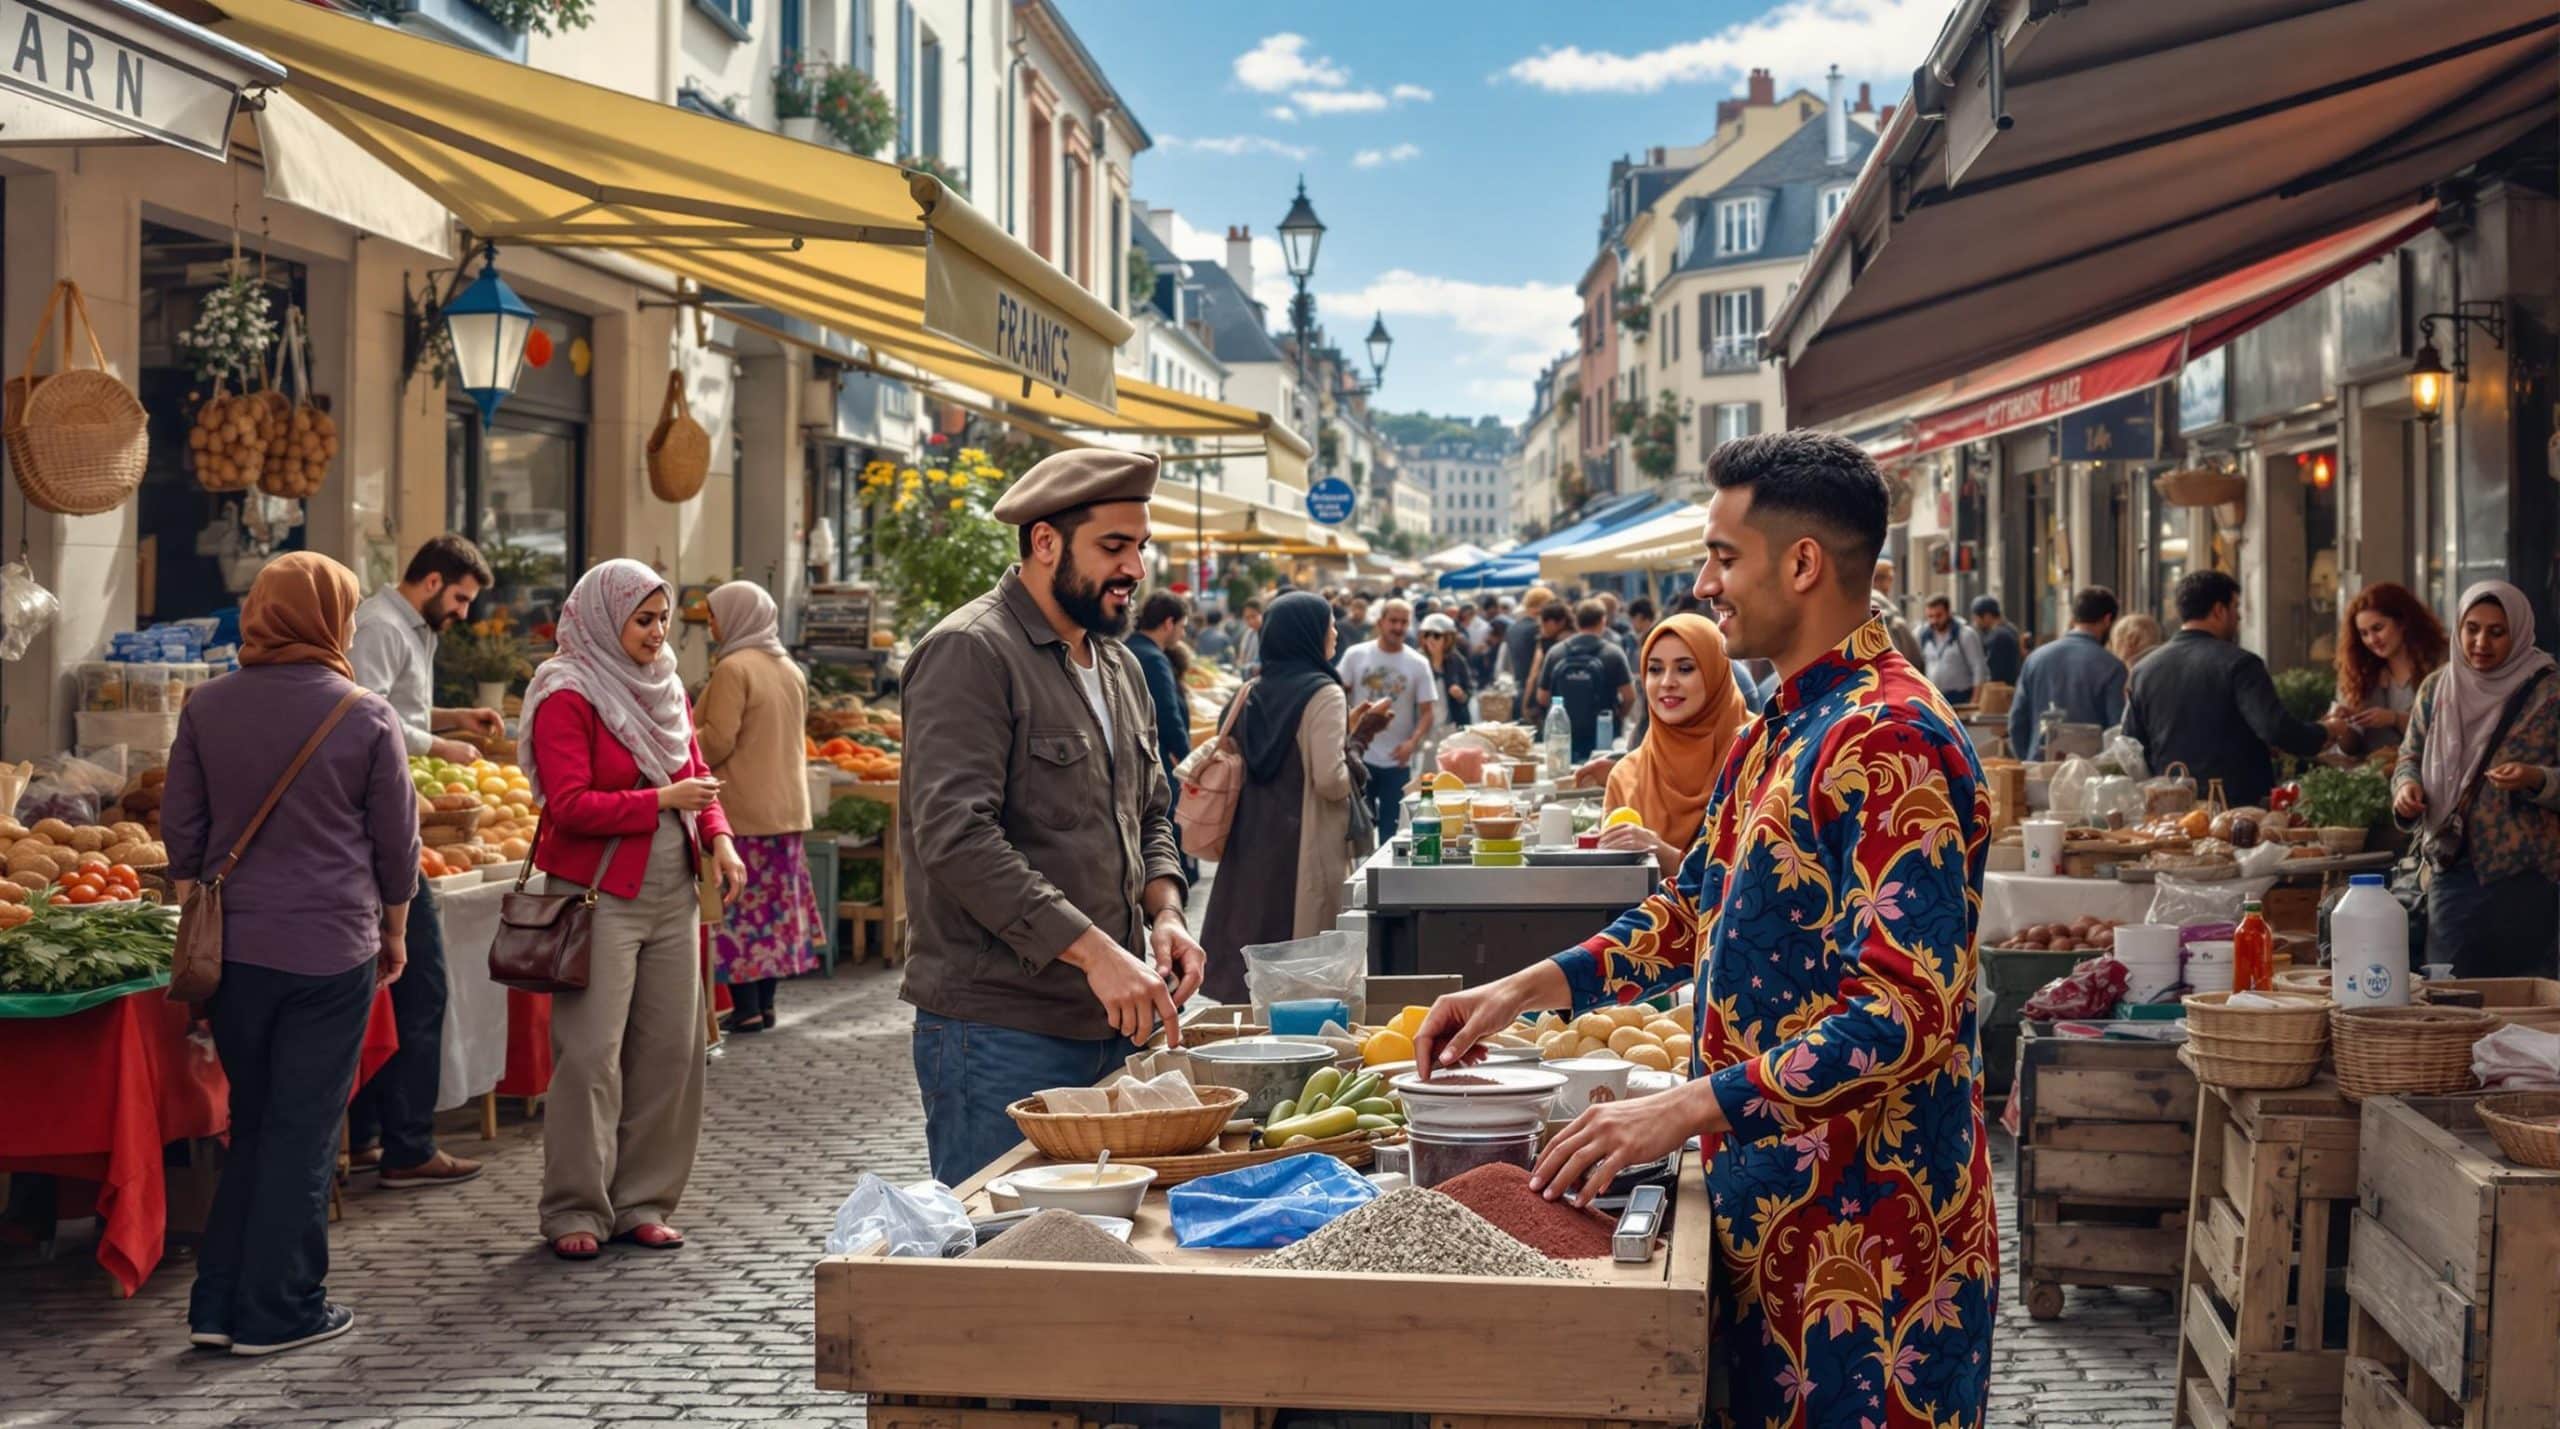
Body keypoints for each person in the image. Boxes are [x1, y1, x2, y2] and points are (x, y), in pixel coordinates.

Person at [1414, 430, 1995, 1429]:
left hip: (1871, 1247)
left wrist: (1684, 1107)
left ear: (1801, 563)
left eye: (1722, 556)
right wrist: (1519, 989)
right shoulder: (1780, 723)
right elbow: (1691, 912)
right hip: (1770, 1216)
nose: (1705, 581)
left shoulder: (1890, 737)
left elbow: (1906, 1013)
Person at [899, 449, 1203, 1186]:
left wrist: (1165, 912)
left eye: (1141, 546)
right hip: (998, 1028)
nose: (1134, 567)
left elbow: (1151, 811)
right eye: (1113, 546)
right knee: (1009, 1266)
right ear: (1044, 542)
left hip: (1108, 1025)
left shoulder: (1122, 665)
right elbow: (957, 838)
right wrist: (1097, 952)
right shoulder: (970, 651)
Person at [170, 553, 420, 1357]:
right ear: (333, 618)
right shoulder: (366, 713)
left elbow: (183, 834)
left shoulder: (207, 705)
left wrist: (200, 920)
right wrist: (397, 930)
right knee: (303, 1131)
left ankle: (217, 1306)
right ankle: (281, 1308)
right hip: (329, 949)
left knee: (254, 1121)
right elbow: (397, 847)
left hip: (236, 951)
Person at [520, 560, 746, 1260]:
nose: (656, 633)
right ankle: (574, 1207)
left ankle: (643, 1201)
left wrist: (722, 841)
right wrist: (660, 805)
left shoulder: (666, 686)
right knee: (590, 1057)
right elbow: (569, 804)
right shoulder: (567, 690)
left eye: (662, 619)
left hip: (672, 892)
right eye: (643, 620)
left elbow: (691, 776)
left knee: (671, 1053)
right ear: (603, 616)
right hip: (596, 897)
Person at [343, 535, 500, 1190]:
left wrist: (451, 716)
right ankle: (408, 1144)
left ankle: (381, 1135)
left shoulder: (412, 629)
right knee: (422, 982)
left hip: (395, 813)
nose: (464, 613)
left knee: (400, 986)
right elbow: (369, 713)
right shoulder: (381, 626)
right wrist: (441, 743)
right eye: (461, 598)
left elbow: (397, 705)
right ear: (432, 581)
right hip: (382, 821)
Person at [1197, 594, 1393, 1001]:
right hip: (1302, 844)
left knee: (1253, 939)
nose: (1335, 632)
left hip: (1250, 840)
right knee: (1300, 963)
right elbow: (1331, 781)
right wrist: (1357, 741)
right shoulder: (1324, 693)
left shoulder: (1251, 689)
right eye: (1329, 625)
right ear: (1308, 634)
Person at [2391, 582, 2560, 977]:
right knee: (2453, 992)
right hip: (2453, 866)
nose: (2481, 642)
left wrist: (2537, 779)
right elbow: (2409, 756)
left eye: (2496, 632)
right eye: (2472, 628)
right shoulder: (2437, 688)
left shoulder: (2549, 694)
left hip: (2529, 877)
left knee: (2529, 1003)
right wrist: (2405, 787)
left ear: (2517, 633)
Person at [695, 581, 822, 1035]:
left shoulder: (734, 667)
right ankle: (764, 1006)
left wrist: (681, 748)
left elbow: (720, 739)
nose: (711, 624)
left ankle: (745, 1008)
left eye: (714, 615)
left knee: (739, 910)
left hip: (744, 808)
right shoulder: (788, 667)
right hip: (786, 809)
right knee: (773, 913)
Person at [2121, 570, 2328, 809]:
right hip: (2237, 808)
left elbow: (2131, 746)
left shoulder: (2143, 670)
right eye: (2235, 608)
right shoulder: (2240, 663)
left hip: (2170, 810)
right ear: (2219, 610)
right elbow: (2275, 728)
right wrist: (2324, 732)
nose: (2238, 617)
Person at [1594, 613, 1750, 873]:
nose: (1667, 682)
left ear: (1715, 672)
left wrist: (1664, 855)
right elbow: (1613, 882)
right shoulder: (1627, 775)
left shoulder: (1759, 749)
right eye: (1655, 669)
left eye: (1685, 668)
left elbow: (1762, 877)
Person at [1337, 598, 1436, 840]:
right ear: (1381, 622)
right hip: (1360, 756)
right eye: (1393, 621)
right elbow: (1338, 694)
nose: (1398, 627)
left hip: (1397, 760)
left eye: (1404, 622)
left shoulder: (1418, 663)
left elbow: (1427, 712)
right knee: (1359, 830)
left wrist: (1411, 744)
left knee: (1394, 832)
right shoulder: (1356, 655)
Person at [2007, 586, 2129, 760]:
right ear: (2107, 619)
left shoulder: (2035, 659)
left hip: (2039, 767)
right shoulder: (2112, 666)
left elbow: (2017, 722)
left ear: (2075, 617)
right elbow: (2117, 730)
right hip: (2088, 773)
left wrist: (2027, 760)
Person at [2330, 581, 2448, 758]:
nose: (2372, 640)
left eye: (2378, 628)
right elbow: (2350, 748)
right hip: (2370, 778)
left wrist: (2394, 718)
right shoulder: (2357, 672)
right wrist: (2341, 726)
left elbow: (2447, 732)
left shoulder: (2440, 665)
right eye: (2364, 633)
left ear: (2403, 622)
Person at [1128, 592, 1197, 883]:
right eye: (1182, 626)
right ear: (1169, 623)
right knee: (1163, 831)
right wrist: (1190, 762)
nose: (1182, 634)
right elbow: (1169, 718)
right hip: (1154, 761)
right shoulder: (1154, 659)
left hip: (1130, 759)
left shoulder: (1127, 648)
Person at [1537, 600, 1637, 761]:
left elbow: (1542, 697)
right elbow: (1630, 696)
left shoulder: (1555, 652)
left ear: (1576, 622)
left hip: (1564, 735)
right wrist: (1617, 716)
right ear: (1603, 621)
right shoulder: (1613, 653)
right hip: (1602, 734)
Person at [1918, 594, 1990, 705]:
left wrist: (1974, 702)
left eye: (1938, 616)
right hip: (1934, 700)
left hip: (1961, 698)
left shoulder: (1965, 634)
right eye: (1930, 616)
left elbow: (1978, 669)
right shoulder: (1923, 636)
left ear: (1948, 613)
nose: (1934, 621)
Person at [1417, 612, 1474, 733]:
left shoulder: (1457, 661)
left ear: (1447, 639)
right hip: (1424, 728)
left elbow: (1469, 691)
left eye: (1436, 635)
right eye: (1427, 635)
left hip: (1451, 726)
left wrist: (1461, 695)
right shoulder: (1417, 661)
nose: (1431, 639)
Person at [1517, 601, 1573, 719]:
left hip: (1552, 706)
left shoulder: (1547, 645)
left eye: (1544, 624)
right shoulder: (1577, 639)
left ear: (1560, 622)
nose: (1541, 630)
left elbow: (1534, 674)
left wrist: (1526, 704)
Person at [1503, 586, 1555, 687]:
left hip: (1518, 685)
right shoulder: (1539, 629)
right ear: (1543, 605)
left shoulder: (1511, 628)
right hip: (1537, 688)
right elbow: (1537, 668)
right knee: (1558, 702)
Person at [1972, 595, 2024, 684]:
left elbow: (1994, 671)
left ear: (1987, 616)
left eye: (1976, 618)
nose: (1975, 622)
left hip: (2000, 691)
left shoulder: (1998, 636)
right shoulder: (2010, 629)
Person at [1233, 598, 1264, 676]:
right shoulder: (1248, 633)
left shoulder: (1268, 634)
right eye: (1247, 618)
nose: (1251, 621)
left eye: (1253, 616)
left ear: (1262, 614)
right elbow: (1241, 658)